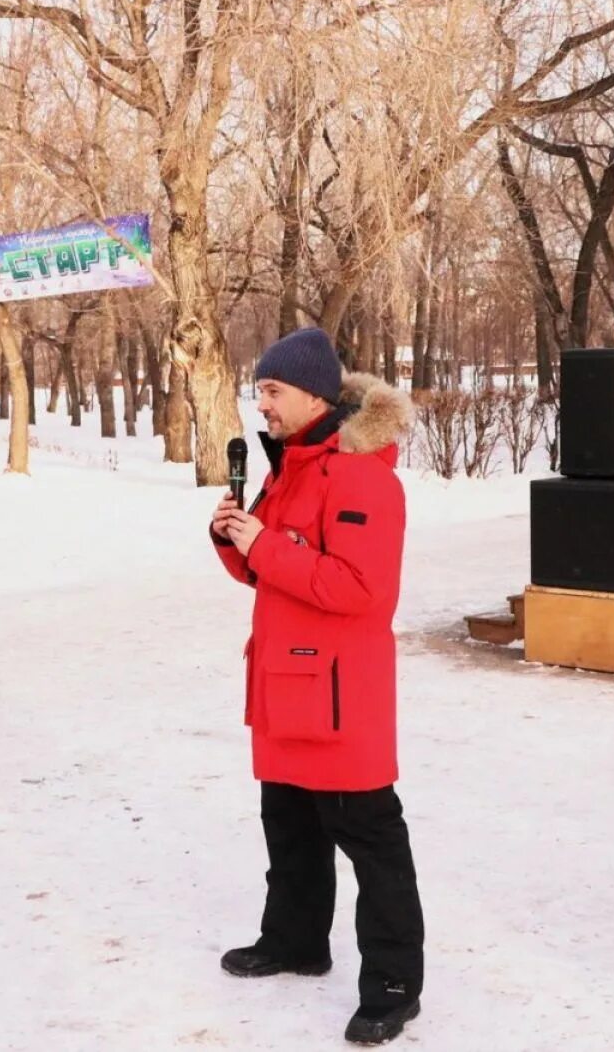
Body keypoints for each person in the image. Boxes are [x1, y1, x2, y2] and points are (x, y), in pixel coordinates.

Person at [207, 326, 424, 1046]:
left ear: (310, 394)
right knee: (290, 828)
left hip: (339, 699)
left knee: (371, 842)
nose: (260, 404)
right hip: (285, 685)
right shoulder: (290, 467)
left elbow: (360, 590)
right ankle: (296, 941)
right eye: (260, 390)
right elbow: (270, 568)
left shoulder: (361, 476)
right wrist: (236, 538)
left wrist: (262, 544)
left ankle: (393, 986)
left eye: (271, 391)